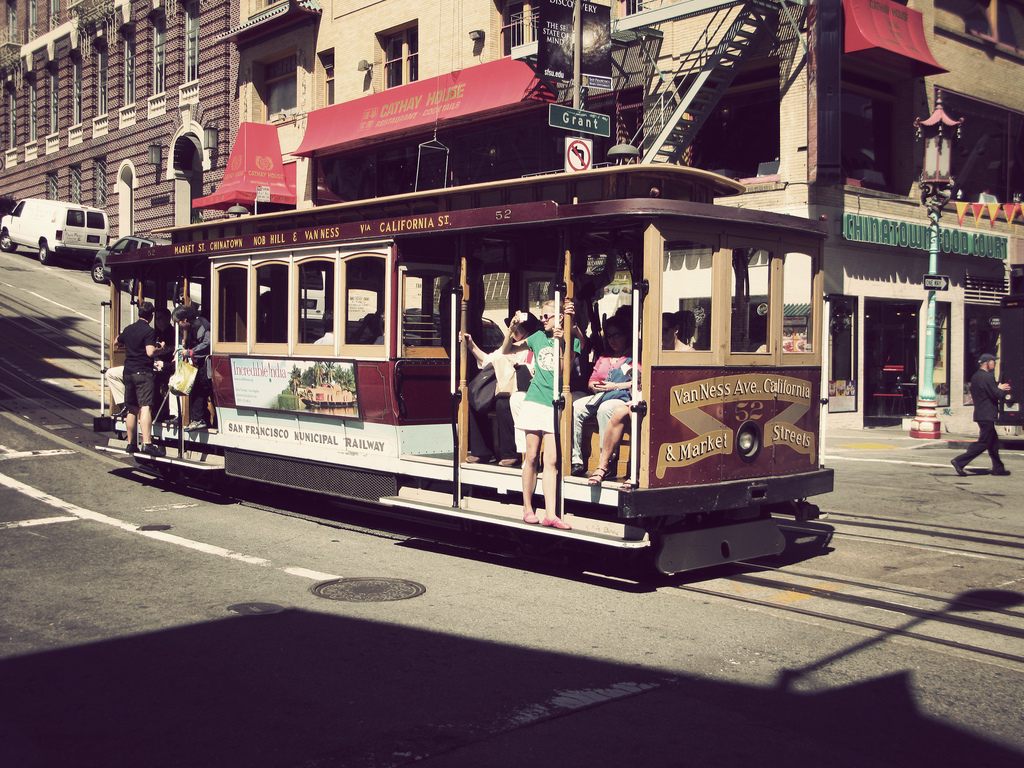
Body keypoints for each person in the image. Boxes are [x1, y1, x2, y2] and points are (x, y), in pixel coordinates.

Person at [501, 300, 579, 529]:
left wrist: (559, 341)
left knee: (551, 461)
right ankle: (527, 508)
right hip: (534, 401)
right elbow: (507, 350)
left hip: (553, 404)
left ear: (560, 318)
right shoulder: (535, 338)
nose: (543, 320)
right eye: (542, 316)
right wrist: (511, 329)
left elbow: (564, 371)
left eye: (547, 316)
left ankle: (551, 514)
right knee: (532, 456)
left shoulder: (570, 341)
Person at [463, 313, 540, 466]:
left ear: (528, 331)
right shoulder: (508, 345)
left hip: (522, 391)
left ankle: (511, 454)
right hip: (504, 388)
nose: (513, 332)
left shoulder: (532, 346)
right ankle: (482, 451)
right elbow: (486, 360)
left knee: (503, 404)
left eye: (518, 329)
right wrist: (470, 344)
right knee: (476, 400)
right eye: (512, 329)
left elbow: (532, 372)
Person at [571, 316, 634, 476]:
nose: (612, 340)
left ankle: (607, 461)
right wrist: (594, 386)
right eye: (609, 336)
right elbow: (592, 380)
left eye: (617, 335)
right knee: (575, 406)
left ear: (626, 335)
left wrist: (615, 386)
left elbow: (639, 382)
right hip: (600, 395)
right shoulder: (604, 357)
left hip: (621, 397)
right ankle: (576, 459)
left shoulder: (634, 357)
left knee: (605, 410)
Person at [115, 300, 166, 457]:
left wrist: (131, 347)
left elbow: (117, 341)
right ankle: (147, 443)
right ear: (151, 315)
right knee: (145, 407)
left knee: (132, 408)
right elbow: (150, 352)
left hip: (128, 372)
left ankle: (131, 444)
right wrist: (161, 349)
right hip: (143, 373)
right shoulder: (149, 331)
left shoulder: (129, 328)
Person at [951, 353, 1011, 476]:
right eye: (993, 362)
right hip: (987, 415)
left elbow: (986, 392)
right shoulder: (988, 377)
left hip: (981, 413)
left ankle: (998, 468)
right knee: (984, 442)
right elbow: (996, 395)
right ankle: (959, 461)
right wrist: (1002, 389)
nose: (994, 364)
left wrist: (997, 387)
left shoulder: (976, 377)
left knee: (993, 442)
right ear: (987, 363)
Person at [171, 304, 213, 432]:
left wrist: (190, 352)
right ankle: (202, 418)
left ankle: (199, 420)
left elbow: (208, 343)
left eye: (178, 323)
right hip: (198, 365)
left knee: (199, 390)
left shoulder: (199, 325)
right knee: (195, 389)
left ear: (185, 320)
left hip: (204, 366)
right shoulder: (194, 326)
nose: (178, 326)